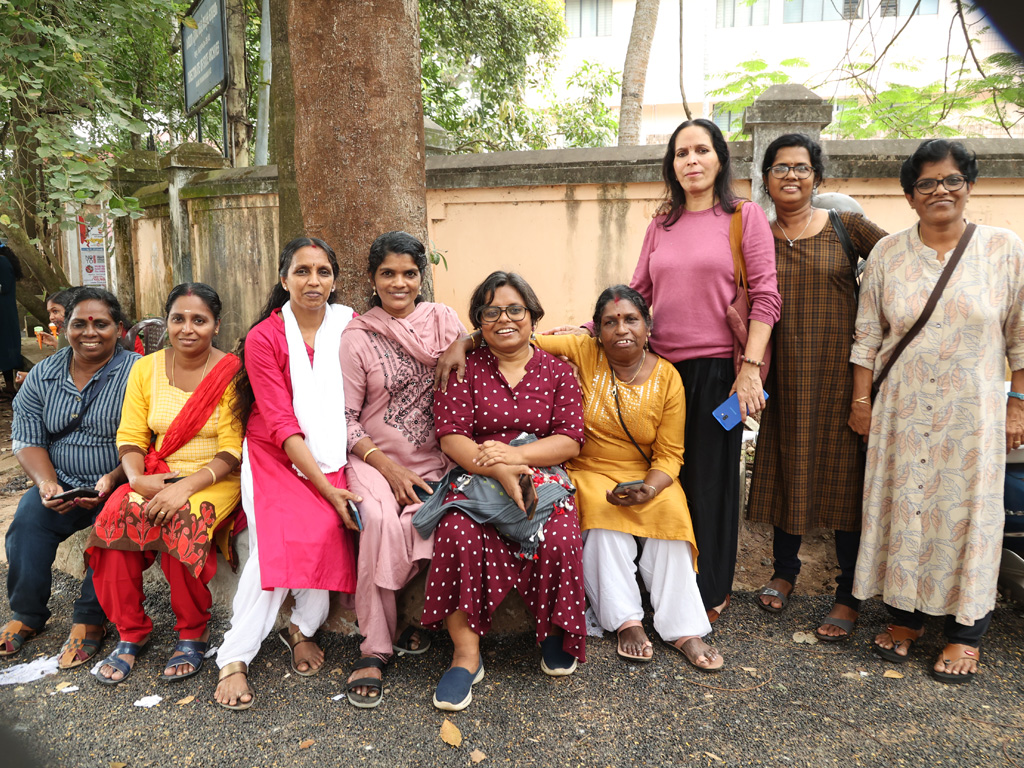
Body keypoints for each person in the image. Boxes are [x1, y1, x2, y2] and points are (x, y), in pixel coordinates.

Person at [547, 119, 781, 622]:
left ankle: (707, 590)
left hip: (718, 373)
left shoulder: (743, 217)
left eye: (701, 150)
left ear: (720, 158)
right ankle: (656, 589)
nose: (691, 161)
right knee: (659, 475)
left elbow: (766, 296)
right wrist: (586, 329)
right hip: (658, 371)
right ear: (672, 165)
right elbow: (638, 293)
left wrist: (750, 369)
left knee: (710, 482)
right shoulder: (662, 223)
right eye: (681, 153)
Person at [439, 286, 720, 670]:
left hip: (647, 474)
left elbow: (670, 454)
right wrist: (464, 343)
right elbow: (517, 334)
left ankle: (684, 629)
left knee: (671, 517)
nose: (621, 329)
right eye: (610, 322)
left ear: (648, 326)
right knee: (604, 521)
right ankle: (626, 621)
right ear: (597, 331)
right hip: (589, 468)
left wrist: (651, 487)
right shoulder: (583, 351)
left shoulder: (668, 377)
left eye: (631, 320)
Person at [849, 139, 1024, 683]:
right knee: (904, 509)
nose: (939, 190)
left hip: (972, 417)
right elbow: (866, 337)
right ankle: (905, 618)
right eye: (926, 183)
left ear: (969, 186)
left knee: (967, 514)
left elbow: (1021, 339)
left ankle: (964, 632)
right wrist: (861, 404)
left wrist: (1017, 407)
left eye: (951, 180)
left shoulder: (1004, 250)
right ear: (909, 195)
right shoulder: (887, 255)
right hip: (902, 413)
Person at [421, 271, 586, 711]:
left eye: (515, 309)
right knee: (457, 532)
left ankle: (554, 632)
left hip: (540, 474)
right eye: (491, 312)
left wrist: (516, 458)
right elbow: (451, 437)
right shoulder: (463, 369)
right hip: (477, 474)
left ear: (533, 316)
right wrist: (496, 469)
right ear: (479, 322)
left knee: (560, 534)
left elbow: (570, 439)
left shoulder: (557, 371)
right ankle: (465, 655)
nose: (504, 319)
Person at [746, 134, 887, 641]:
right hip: (784, 380)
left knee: (846, 484)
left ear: (817, 177)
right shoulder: (755, 236)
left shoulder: (846, 226)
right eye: (780, 167)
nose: (791, 175)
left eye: (801, 167)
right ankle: (785, 571)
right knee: (788, 473)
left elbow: (901, 261)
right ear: (765, 178)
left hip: (843, 381)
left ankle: (848, 593)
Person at [214, 237, 361, 710]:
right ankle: (234, 655)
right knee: (275, 548)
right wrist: (328, 491)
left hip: (332, 452)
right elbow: (279, 422)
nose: (313, 281)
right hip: (274, 454)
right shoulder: (265, 337)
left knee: (327, 531)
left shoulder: (349, 325)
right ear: (284, 279)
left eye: (323, 271)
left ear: (334, 280)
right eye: (302, 271)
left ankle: (301, 627)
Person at [87, 283, 242, 684]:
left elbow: (232, 449)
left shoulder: (232, 371)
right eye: (178, 319)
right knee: (113, 521)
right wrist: (137, 479)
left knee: (182, 520)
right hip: (156, 472)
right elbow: (131, 435)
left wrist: (183, 488)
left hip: (213, 476)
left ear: (216, 325)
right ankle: (130, 630)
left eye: (199, 320)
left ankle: (193, 630)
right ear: (167, 322)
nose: (187, 328)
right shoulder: (145, 368)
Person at [339, 231, 465, 708]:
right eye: (388, 273)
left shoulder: (444, 320)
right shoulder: (357, 336)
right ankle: (374, 647)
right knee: (378, 521)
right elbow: (345, 419)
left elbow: (484, 348)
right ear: (373, 279)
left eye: (409, 273)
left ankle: (412, 622)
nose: (399, 283)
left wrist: (466, 341)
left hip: (436, 459)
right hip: (373, 458)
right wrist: (388, 469)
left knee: (433, 521)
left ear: (421, 277)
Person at [1, 288, 139, 669]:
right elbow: (27, 437)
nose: (89, 332)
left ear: (119, 329)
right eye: (79, 324)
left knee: (111, 529)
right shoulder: (43, 375)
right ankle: (27, 613)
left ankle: (91, 619)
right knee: (28, 519)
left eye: (101, 324)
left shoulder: (139, 372)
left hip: (120, 483)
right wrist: (47, 484)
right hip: (60, 481)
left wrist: (115, 478)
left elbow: (151, 438)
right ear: (66, 328)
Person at [0, 245, 25, 396]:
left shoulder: (2, 261)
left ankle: (10, 386)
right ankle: (9, 386)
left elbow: (4, 287)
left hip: (3, 312)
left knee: (5, 346)